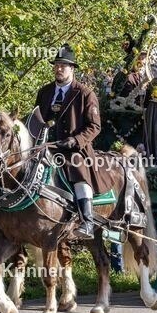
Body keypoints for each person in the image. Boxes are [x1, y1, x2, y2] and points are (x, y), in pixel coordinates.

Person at [35, 44, 113, 238]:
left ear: (72, 69)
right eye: (57, 65)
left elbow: (94, 127)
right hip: (46, 147)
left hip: (74, 149)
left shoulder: (85, 94)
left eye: (63, 65)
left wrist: (75, 140)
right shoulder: (44, 92)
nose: (59, 68)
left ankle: (86, 220)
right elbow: (35, 120)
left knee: (78, 167)